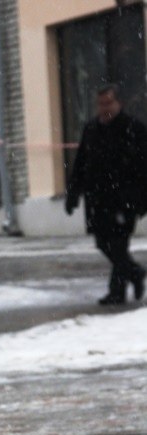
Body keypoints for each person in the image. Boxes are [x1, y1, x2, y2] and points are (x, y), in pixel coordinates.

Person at [65, 84, 147, 306]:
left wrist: (141, 199)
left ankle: (117, 292)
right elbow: (81, 163)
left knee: (118, 245)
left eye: (108, 102)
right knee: (103, 244)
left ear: (118, 103)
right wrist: (73, 193)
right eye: (101, 104)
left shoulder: (133, 128)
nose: (104, 108)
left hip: (125, 201)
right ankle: (135, 273)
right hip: (98, 200)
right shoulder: (91, 129)